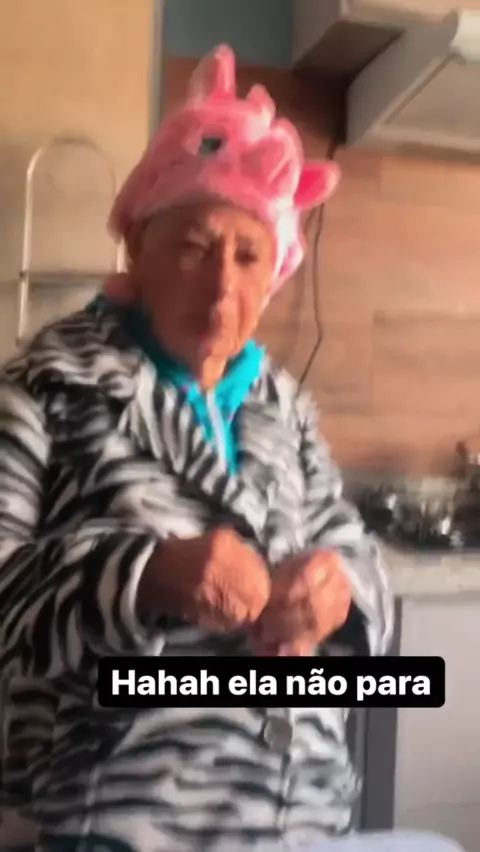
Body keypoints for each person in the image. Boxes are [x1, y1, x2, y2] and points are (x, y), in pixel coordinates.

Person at [0, 44, 462, 852]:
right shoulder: (44, 387)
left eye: (249, 256)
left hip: (304, 816)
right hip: (122, 819)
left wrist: (338, 593)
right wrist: (143, 575)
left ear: (275, 271)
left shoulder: (283, 407)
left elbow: (357, 562)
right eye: (194, 246)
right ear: (134, 243)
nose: (222, 287)